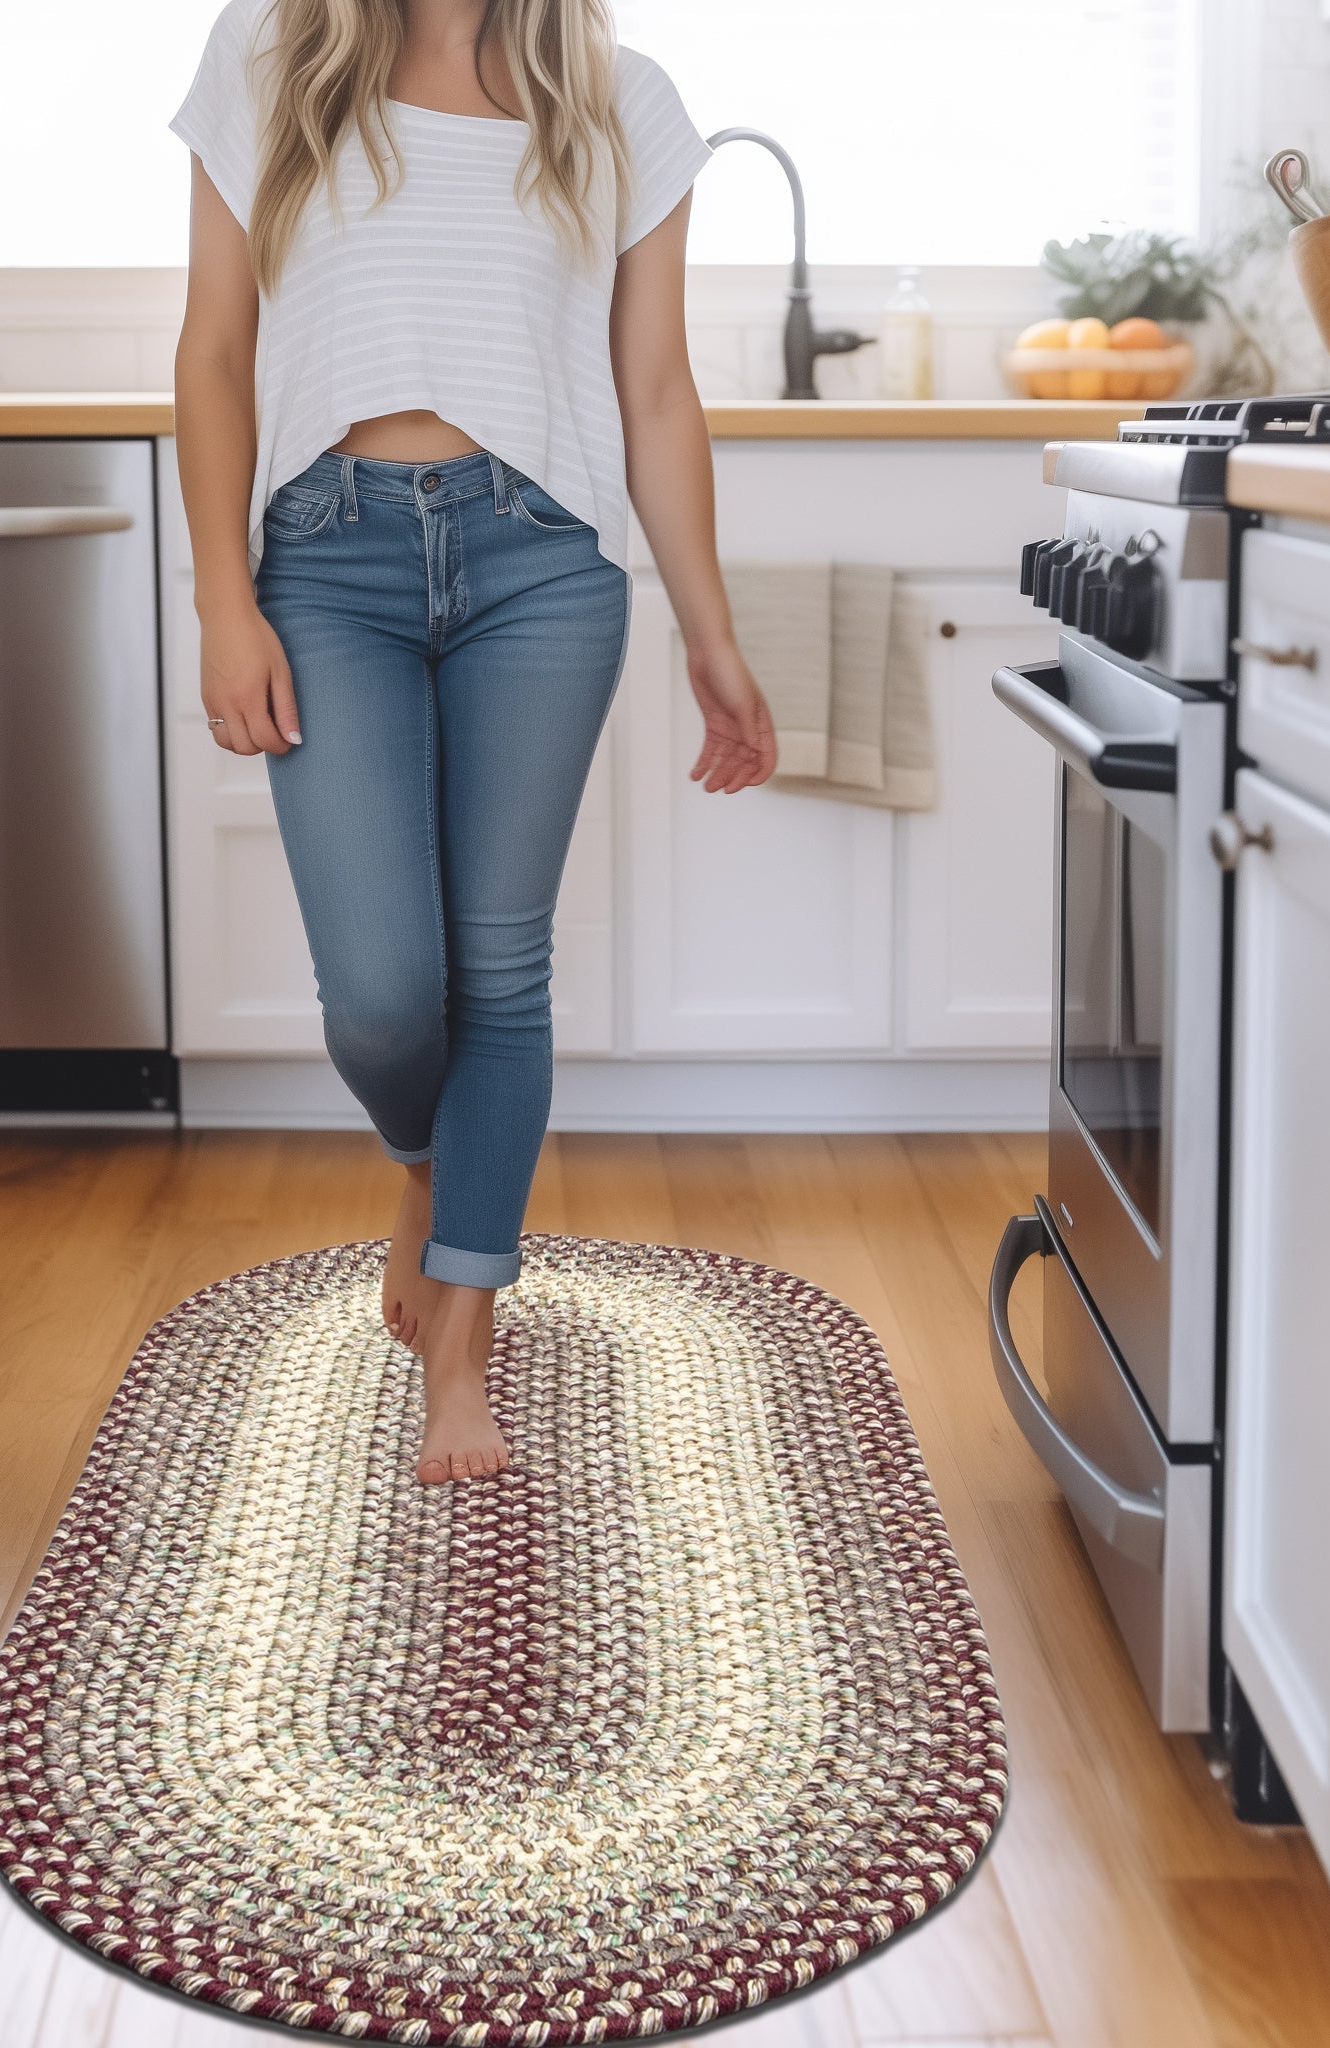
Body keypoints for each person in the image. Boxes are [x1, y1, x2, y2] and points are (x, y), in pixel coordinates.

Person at [171, 0, 776, 1487]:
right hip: (326, 556)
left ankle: (463, 1343)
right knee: (382, 993)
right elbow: (213, 355)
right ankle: (428, 1162)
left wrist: (711, 627)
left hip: (542, 563)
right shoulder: (269, 57)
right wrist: (222, 602)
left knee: (498, 969)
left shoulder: (620, 98)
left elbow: (656, 390)